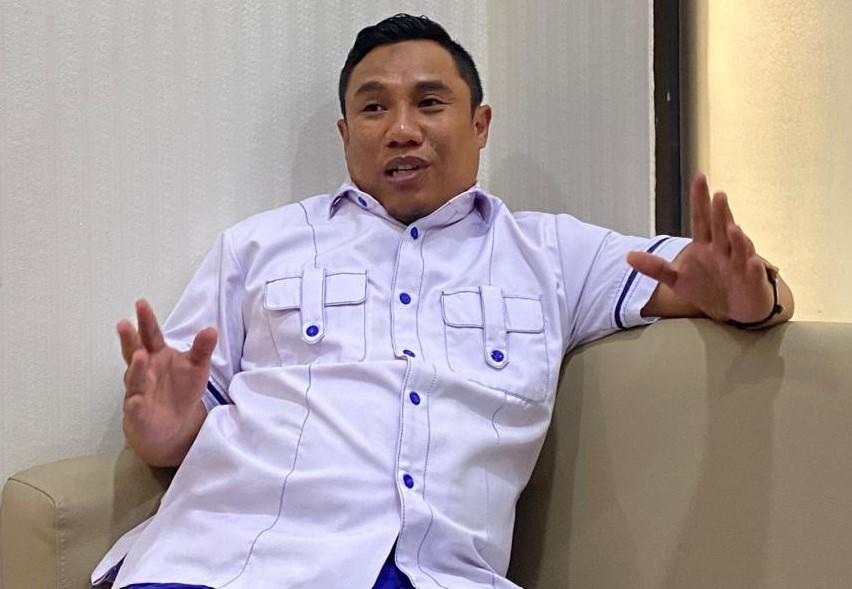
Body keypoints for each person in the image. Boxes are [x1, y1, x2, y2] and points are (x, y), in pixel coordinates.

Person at [92, 13, 794, 589]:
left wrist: (745, 293)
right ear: (345, 133)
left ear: (480, 124)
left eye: (429, 102)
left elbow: (740, 288)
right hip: (223, 562)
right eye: (374, 107)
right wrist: (162, 427)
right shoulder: (258, 246)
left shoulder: (550, 253)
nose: (401, 128)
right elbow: (168, 437)